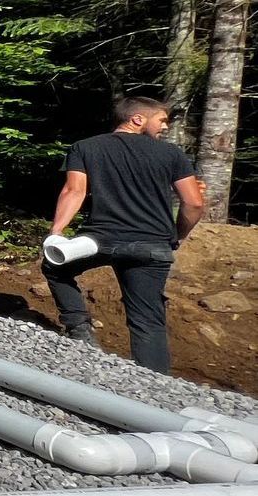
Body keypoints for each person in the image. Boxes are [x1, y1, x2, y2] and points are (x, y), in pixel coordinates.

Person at [43, 95, 208, 374]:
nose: (165, 127)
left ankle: (79, 329)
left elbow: (74, 191)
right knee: (147, 319)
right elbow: (194, 203)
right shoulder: (171, 154)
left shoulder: (85, 147)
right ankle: (154, 387)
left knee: (54, 266)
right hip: (152, 244)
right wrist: (176, 235)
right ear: (137, 119)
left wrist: (56, 233)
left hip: (98, 241)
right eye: (162, 120)